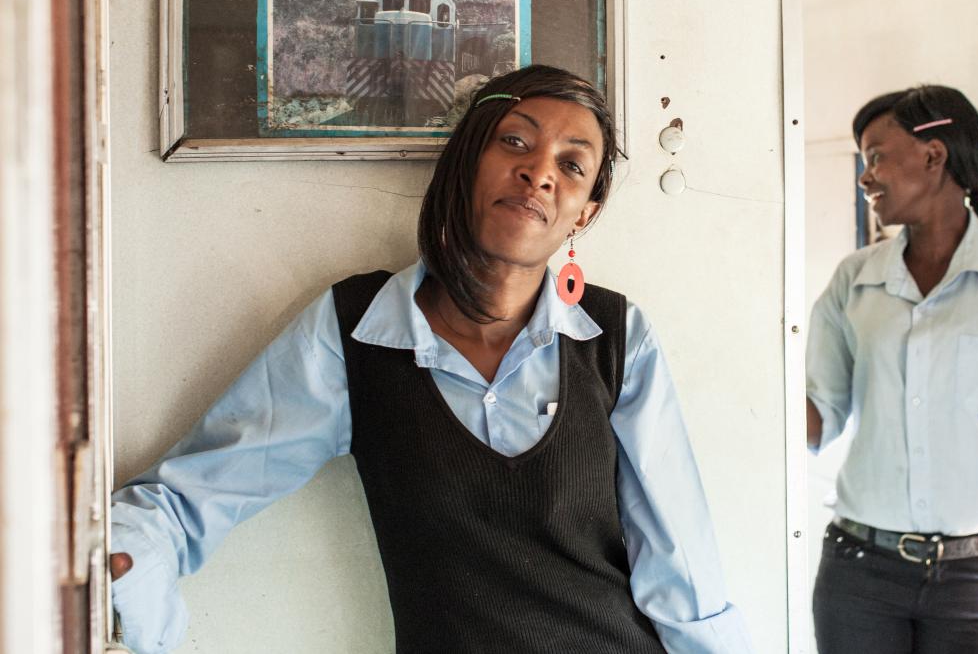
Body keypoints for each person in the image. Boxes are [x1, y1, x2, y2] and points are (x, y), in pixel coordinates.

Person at [109, 65, 752, 654]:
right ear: (469, 159)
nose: (540, 173)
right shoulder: (356, 333)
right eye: (516, 143)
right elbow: (195, 495)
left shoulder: (614, 339)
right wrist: (127, 556)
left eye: (573, 165)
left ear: (584, 213)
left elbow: (682, 571)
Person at [805, 85, 978, 654]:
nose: (867, 177)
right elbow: (820, 419)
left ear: (935, 157)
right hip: (860, 574)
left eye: (877, 155)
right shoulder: (853, 280)